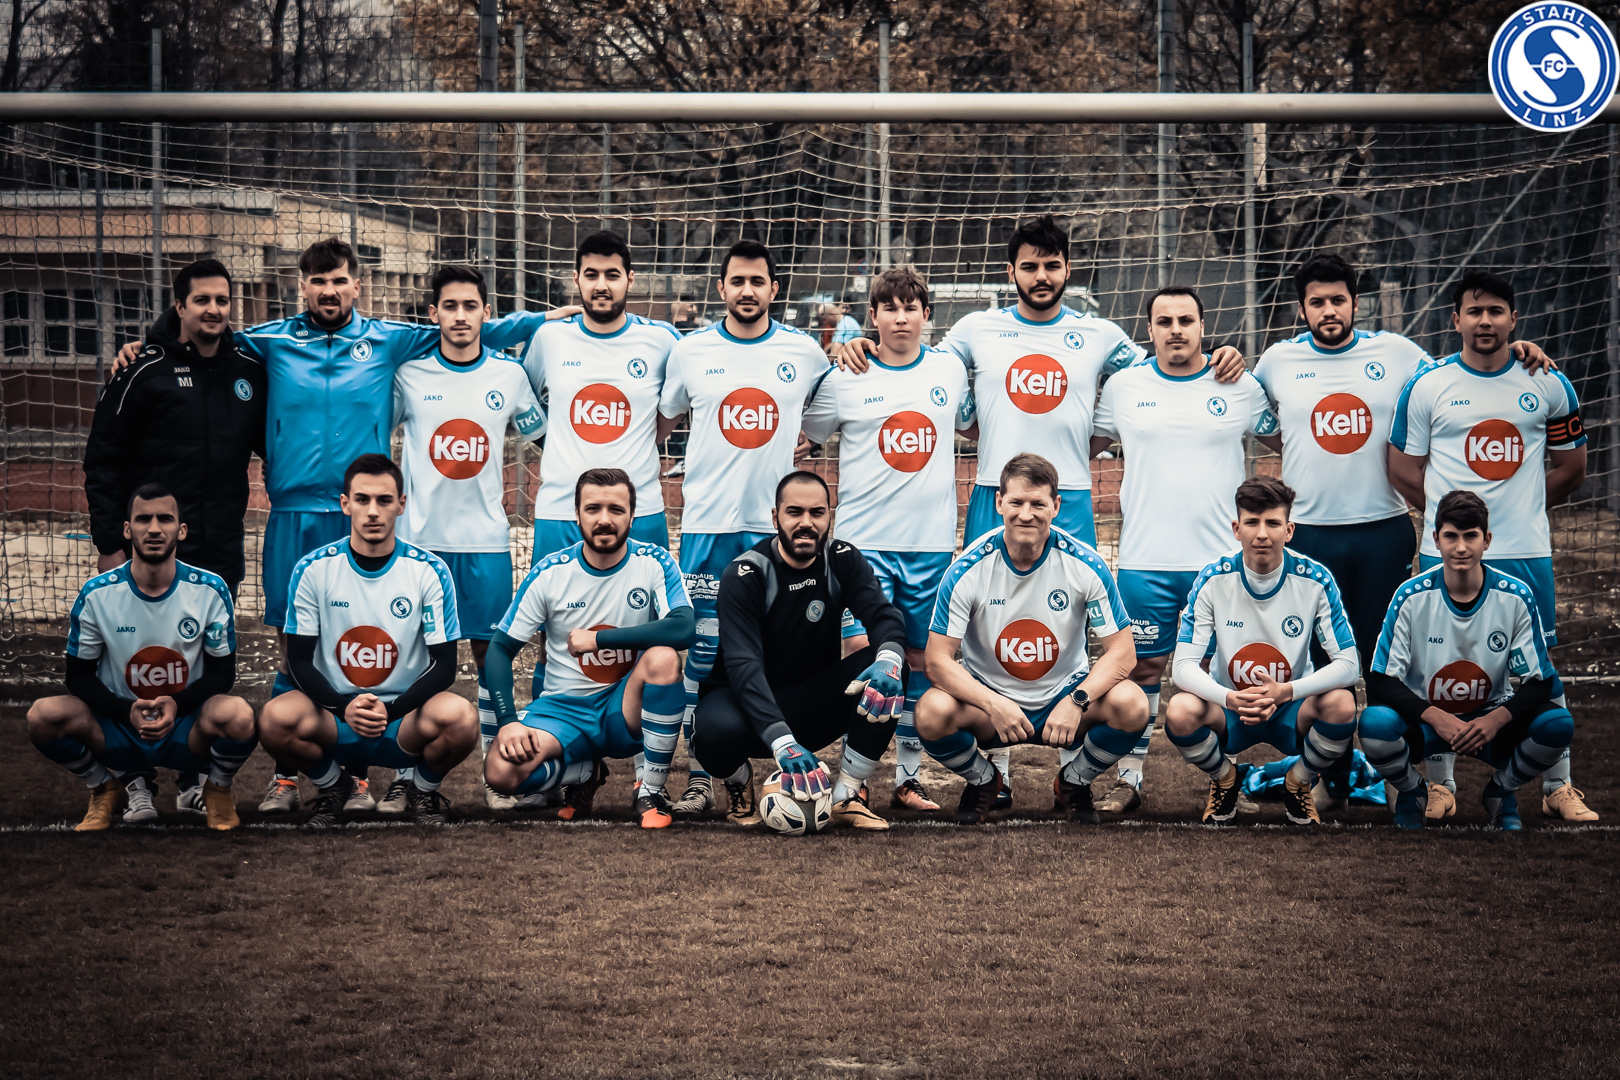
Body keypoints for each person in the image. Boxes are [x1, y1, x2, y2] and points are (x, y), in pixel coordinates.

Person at [114, 239, 573, 814]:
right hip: (292, 514)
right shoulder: (269, 340)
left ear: (358, 285)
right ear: (302, 286)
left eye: (339, 281)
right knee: (294, 645)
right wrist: (151, 342)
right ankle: (287, 779)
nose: (329, 291)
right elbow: (207, 331)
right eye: (318, 281)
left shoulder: (388, 339)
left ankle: (359, 779)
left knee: (367, 641)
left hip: (361, 511)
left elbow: (468, 327)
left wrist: (541, 321)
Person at [834, 216, 1246, 804]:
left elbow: (1164, 368)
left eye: (1052, 265)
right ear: (1012, 272)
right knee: (986, 633)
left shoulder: (1099, 334)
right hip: (992, 495)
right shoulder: (975, 330)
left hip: (1068, 498)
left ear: (1067, 269)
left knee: (1074, 631)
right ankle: (995, 771)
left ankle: (1085, 773)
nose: (1041, 275)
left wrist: (1221, 356)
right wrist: (860, 345)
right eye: (1029, 266)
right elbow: (916, 362)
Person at [1252, 254, 1551, 812]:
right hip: (1308, 535)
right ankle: (1331, 779)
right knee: (1320, 661)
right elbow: (1265, 421)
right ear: (1301, 309)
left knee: (1384, 661)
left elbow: (1462, 371)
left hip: (1383, 530)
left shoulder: (1398, 354)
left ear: (1355, 303)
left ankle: (1399, 776)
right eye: (1316, 302)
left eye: (1338, 300)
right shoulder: (1277, 360)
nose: (1328, 310)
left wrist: (1518, 353)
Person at [1388, 271, 1594, 823]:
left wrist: (1520, 510)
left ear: (1513, 318)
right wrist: (1451, 525)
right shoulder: (1428, 385)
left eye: (1496, 311)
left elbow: (1571, 468)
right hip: (1443, 556)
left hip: (1524, 551)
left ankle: (1559, 786)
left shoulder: (1549, 382)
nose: (1485, 321)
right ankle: (1442, 784)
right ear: (1455, 319)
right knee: (1437, 665)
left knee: (1540, 667)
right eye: (1474, 311)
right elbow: (1402, 469)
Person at [83, 258, 266, 821]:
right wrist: (109, 544)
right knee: (133, 659)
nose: (214, 309)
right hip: (150, 549)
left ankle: (192, 778)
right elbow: (103, 460)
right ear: (180, 305)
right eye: (202, 300)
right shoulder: (143, 368)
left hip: (218, 546)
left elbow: (273, 443)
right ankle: (135, 779)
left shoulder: (249, 369)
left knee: (202, 659)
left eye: (222, 300)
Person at [1088, 286, 1281, 814]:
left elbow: (1294, 442)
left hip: (1220, 565)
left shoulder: (1239, 384)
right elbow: (1079, 445)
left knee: (1220, 674)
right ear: (1149, 329)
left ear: (1202, 326)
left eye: (1186, 320)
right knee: (1142, 670)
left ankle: (1223, 782)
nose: (1176, 329)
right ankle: (1130, 779)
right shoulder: (1124, 387)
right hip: (1144, 561)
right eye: (1165, 321)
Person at [656, 239, 831, 817]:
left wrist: (811, 442)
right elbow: (664, 418)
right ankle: (707, 778)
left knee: (772, 650)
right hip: (708, 527)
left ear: (774, 289)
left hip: (777, 532)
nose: (748, 290)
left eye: (758, 281)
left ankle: (781, 754)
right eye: (738, 280)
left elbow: (828, 411)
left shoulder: (804, 352)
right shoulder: (690, 351)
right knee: (701, 656)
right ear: (722, 287)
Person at [800, 267, 976, 812]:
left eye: (911, 308)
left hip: (929, 545)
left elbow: (971, 424)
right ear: (872, 316)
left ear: (927, 315)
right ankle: (855, 776)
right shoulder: (845, 376)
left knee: (920, 658)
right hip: (863, 548)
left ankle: (908, 777)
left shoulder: (949, 371)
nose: (901, 318)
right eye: (890, 309)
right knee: (863, 654)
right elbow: (807, 436)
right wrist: (833, 357)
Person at [385, 265, 545, 813]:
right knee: (414, 660)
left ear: (485, 313)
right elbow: (373, 429)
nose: (460, 316)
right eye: (449, 306)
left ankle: (496, 774)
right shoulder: (408, 374)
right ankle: (406, 777)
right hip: (419, 546)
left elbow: (545, 437)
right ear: (433, 313)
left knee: (490, 655)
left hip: (486, 543)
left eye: (470, 306)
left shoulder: (509, 375)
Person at [913, 453, 1149, 825]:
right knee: (930, 713)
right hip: (990, 703)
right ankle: (984, 780)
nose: (1026, 514)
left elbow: (1123, 653)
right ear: (999, 503)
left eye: (1038, 503)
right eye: (1017, 502)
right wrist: (993, 703)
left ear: (1056, 506)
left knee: (1133, 704)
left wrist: (1077, 700)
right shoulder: (967, 570)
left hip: (1064, 698)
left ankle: (1073, 781)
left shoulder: (1085, 565)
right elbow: (937, 661)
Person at [256, 454, 478, 828]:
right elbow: (299, 660)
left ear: (401, 504)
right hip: (335, 716)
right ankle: (335, 786)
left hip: (403, 719)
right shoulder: (313, 569)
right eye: (362, 499)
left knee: (462, 718)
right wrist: (344, 707)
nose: (373, 511)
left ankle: (422, 790)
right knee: (274, 718)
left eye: (384, 500)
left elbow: (444, 666)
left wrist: (391, 711)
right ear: (346, 504)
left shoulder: (428, 571)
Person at [26, 484, 257, 831]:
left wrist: (178, 704)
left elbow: (222, 673)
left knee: (239, 714)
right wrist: (124, 710)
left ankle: (217, 789)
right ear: (127, 529)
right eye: (143, 519)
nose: (154, 529)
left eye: (165, 519)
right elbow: (78, 677)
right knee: (43, 716)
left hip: (184, 728)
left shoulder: (209, 590)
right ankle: (104, 787)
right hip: (121, 728)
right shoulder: (97, 595)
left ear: (181, 530)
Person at [690, 471, 911, 830]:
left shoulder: (842, 559)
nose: (806, 523)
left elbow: (883, 616)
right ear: (775, 517)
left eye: (816, 512)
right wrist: (782, 742)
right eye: (794, 512)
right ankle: (738, 782)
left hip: (810, 703)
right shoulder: (746, 574)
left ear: (829, 516)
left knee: (891, 666)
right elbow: (744, 665)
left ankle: (847, 795)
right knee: (711, 731)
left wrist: (888, 661)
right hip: (745, 706)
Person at [482, 469, 695, 828]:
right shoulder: (551, 572)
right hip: (562, 711)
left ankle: (650, 790)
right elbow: (500, 649)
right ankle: (583, 772)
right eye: (593, 509)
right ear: (577, 514)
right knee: (500, 772)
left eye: (616, 509)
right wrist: (507, 723)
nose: (604, 519)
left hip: (623, 706)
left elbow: (684, 627)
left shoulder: (654, 561)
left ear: (632, 515)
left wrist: (598, 640)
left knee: (663, 658)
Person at [1359, 490, 1572, 830]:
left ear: (1486, 540)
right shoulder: (1410, 597)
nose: (1460, 547)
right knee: (1374, 724)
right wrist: (1435, 716)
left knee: (1558, 724)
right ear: (1436, 540)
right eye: (1451, 536)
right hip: (1428, 722)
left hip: (1488, 718)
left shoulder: (1515, 596)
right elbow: (1383, 680)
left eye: (1470, 536)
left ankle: (1501, 791)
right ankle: (1413, 791)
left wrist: (1496, 720)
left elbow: (1540, 681)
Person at [1161, 476, 1360, 826]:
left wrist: (1287, 691)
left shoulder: (1315, 580)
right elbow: (1183, 667)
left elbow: (1349, 664)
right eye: (1252, 523)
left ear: (1289, 530)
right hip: (1231, 708)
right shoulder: (1212, 579)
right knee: (1180, 710)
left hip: (1291, 708)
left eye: (1273, 523)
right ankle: (1225, 778)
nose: (1262, 534)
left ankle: (1299, 780)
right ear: (1236, 529)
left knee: (1342, 705)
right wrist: (1229, 698)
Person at [523, 231, 680, 561]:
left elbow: (690, 396)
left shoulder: (662, 340)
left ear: (630, 279)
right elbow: (519, 396)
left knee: (647, 597)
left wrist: (649, 435)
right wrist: (551, 439)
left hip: (639, 511)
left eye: (612, 275)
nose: (601, 285)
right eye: (591, 275)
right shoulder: (549, 337)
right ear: (576, 278)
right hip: (561, 511)